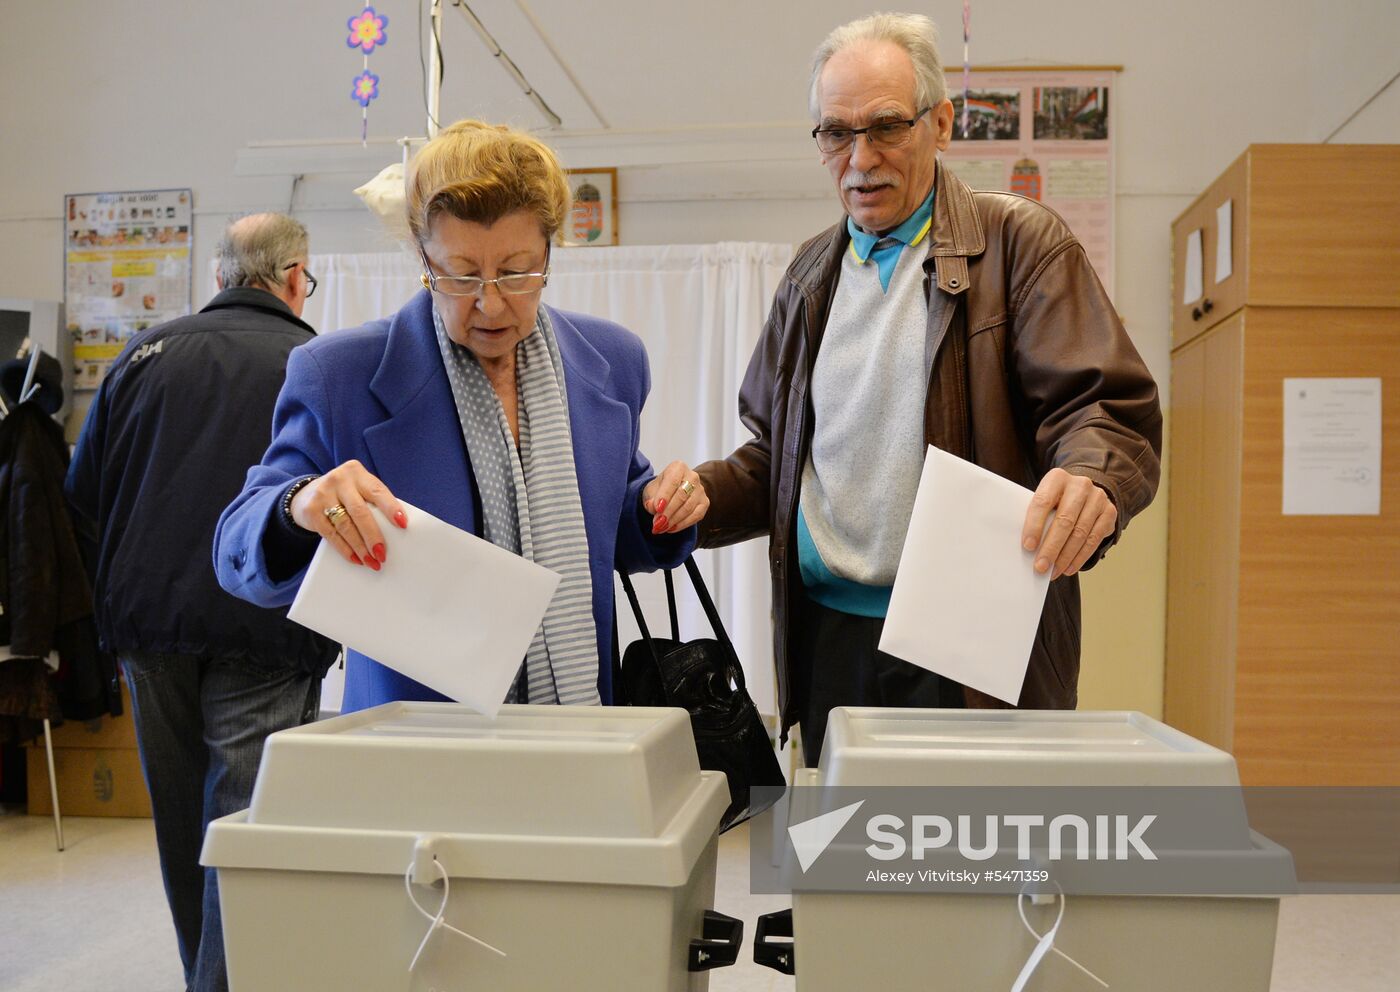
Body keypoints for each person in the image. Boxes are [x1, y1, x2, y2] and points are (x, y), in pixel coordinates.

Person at [695, 13, 1162, 763]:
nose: (860, 158)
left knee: (966, 859)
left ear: (940, 122)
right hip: (827, 636)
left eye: (885, 127)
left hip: (968, 636)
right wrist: (701, 495)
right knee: (845, 860)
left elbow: (1101, 409)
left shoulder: (1020, 245)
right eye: (835, 134)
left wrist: (1091, 475)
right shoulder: (808, 277)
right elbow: (774, 459)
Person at [214, 119, 707, 712]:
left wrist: (663, 507)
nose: (491, 302)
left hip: (582, 735)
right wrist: (298, 506)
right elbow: (234, 548)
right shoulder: (338, 375)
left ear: (551, 252)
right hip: (415, 747)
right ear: (423, 258)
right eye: (462, 274)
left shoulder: (612, 361)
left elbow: (613, 529)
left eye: (517, 271)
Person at [66, 213, 338, 992]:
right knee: (245, 834)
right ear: (294, 278)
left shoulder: (142, 356)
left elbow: (82, 493)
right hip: (267, 627)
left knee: (186, 829)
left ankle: (204, 976)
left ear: (219, 277)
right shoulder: (312, 363)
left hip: (149, 628)